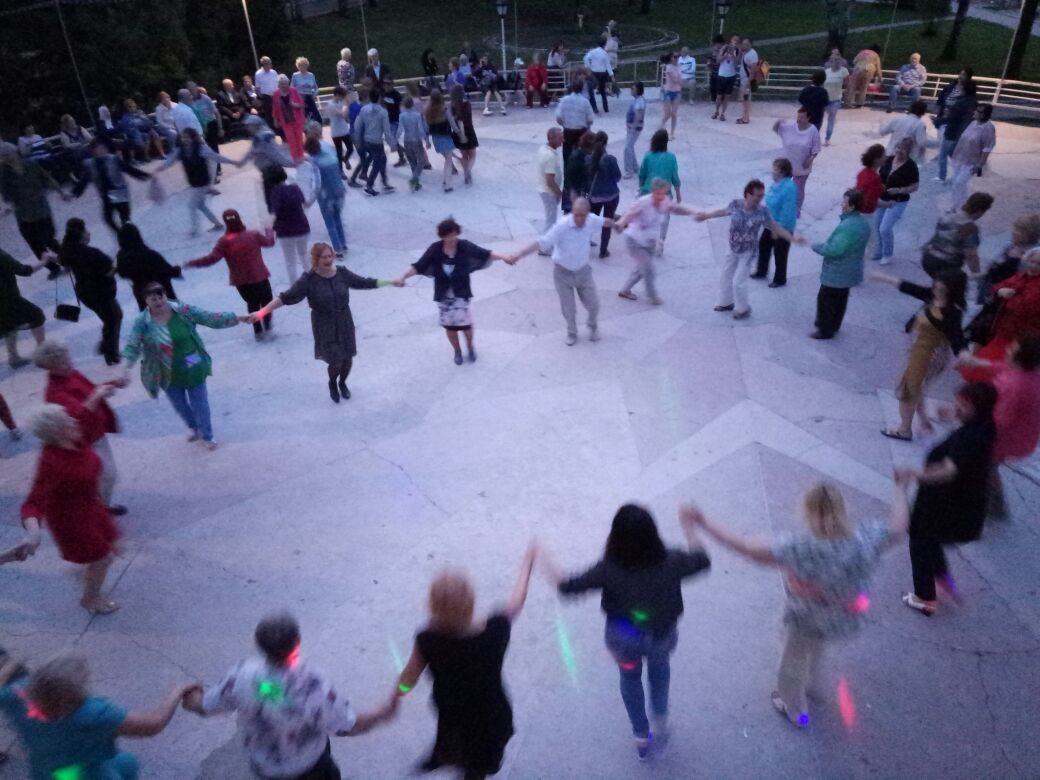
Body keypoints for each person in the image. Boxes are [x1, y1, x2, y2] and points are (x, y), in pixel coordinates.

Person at [687, 480, 908, 727]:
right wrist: (901, 487)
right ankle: (813, 686)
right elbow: (898, 529)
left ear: (808, 513)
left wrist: (703, 522)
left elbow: (747, 548)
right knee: (817, 647)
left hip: (806, 617)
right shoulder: (865, 539)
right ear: (843, 510)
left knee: (793, 658)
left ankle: (795, 708)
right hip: (841, 618)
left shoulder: (802, 548)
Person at [540, 504, 709, 756]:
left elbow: (567, 586)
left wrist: (542, 555)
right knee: (660, 672)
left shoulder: (608, 569)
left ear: (615, 537)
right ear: (653, 534)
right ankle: (661, 721)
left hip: (624, 638)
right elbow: (702, 560)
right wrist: (688, 526)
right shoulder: (672, 560)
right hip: (661, 636)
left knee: (630, 677)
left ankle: (641, 735)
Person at [183, 612, 397, 779]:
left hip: (266, 769)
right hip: (311, 769)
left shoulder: (241, 676)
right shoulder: (313, 685)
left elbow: (203, 705)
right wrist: (381, 715)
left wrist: (187, 693)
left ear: (258, 643)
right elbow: (346, 726)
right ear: (297, 642)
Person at [395, 547, 535, 780]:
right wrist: (527, 564)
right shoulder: (496, 629)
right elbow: (516, 602)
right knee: (480, 759)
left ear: (432, 607)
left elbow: (408, 679)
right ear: (471, 601)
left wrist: (398, 694)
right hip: (492, 713)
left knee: (452, 738)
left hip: (453, 710)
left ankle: (443, 757)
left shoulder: (428, 640)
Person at [0, 652, 200, 778]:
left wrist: (7, 670)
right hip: (90, 773)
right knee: (128, 763)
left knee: (126, 763)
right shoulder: (93, 714)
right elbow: (153, 724)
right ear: (75, 693)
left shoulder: (17, 694)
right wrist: (178, 691)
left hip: (46, 771)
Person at [251, 242, 398, 402]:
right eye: (324, 257)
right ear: (315, 259)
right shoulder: (309, 280)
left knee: (347, 358)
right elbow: (285, 298)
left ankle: (342, 383)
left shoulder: (342, 273)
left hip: (344, 321)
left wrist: (390, 282)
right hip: (324, 324)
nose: (328, 260)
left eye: (330, 256)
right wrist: (261, 312)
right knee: (336, 361)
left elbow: (364, 282)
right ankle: (332, 383)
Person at [900, 382, 996, 615]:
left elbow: (949, 471)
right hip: (955, 500)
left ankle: (925, 598)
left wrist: (913, 474)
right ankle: (944, 581)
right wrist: (953, 413)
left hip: (946, 502)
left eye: (962, 405)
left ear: (974, 407)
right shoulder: (986, 424)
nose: (956, 407)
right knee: (930, 539)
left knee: (920, 541)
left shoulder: (970, 438)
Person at [20, 404, 123, 613]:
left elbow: (85, 412)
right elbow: (33, 502)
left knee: (113, 547)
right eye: (67, 420)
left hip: (92, 506)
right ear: (56, 432)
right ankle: (90, 599)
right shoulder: (52, 463)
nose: (74, 420)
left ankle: (88, 574)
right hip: (72, 520)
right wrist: (33, 532)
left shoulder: (74, 439)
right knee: (103, 558)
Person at [121, 283, 245, 449]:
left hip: (192, 360)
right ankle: (194, 427)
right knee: (180, 405)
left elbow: (209, 317)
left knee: (200, 403)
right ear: (146, 301)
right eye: (153, 299)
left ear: (166, 296)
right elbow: (133, 344)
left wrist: (238, 318)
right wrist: (125, 368)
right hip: (166, 369)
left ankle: (207, 435)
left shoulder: (183, 310)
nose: (158, 302)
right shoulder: (143, 322)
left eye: (161, 297)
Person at [394, 218, 511, 365]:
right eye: (448, 235)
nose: (452, 238)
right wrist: (402, 277)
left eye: (454, 234)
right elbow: (419, 266)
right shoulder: (435, 249)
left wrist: (504, 257)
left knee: (466, 325)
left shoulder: (464, 245)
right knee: (450, 327)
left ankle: (470, 347)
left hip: (462, 293)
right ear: (442, 236)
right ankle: (457, 351)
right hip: (444, 297)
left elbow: (485, 253)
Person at [870, 268, 968, 440]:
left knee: (908, 391)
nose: (937, 288)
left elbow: (957, 337)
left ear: (952, 289)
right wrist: (884, 278)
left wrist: (963, 354)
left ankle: (904, 429)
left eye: (942, 287)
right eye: (937, 284)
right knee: (915, 388)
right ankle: (923, 422)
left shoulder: (951, 312)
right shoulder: (933, 296)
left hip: (928, 356)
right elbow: (908, 287)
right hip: (920, 350)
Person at [35, 340, 126, 514]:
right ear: (51, 367)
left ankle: (100, 507)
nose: (69, 363)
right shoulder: (54, 393)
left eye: (67, 358)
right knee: (107, 474)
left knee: (105, 474)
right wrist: (97, 395)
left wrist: (112, 384)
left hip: (95, 433)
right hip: (84, 439)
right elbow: (78, 415)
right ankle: (99, 510)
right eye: (63, 362)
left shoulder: (71, 374)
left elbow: (91, 390)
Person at [958, 335, 1040, 518]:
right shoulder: (1028, 374)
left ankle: (980, 510)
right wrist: (976, 362)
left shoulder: (1015, 386)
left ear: (1021, 357)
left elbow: (999, 421)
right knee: (988, 468)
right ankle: (995, 508)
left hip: (1006, 439)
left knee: (978, 467)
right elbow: (1002, 367)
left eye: (1012, 348)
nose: (1008, 350)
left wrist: (968, 420)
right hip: (1021, 436)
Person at [511, 197, 612, 344]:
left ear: (588, 213)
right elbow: (541, 242)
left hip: (583, 272)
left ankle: (592, 324)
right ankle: (572, 332)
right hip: (562, 274)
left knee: (594, 304)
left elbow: (605, 221)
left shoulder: (591, 219)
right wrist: (519, 254)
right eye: (576, 215)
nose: (579, 219)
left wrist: (618, 224)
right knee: (568, 308)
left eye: (582, 215)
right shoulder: (562, 226)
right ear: (572, 212)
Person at [697, 179, 801, 319]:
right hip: (732, 248)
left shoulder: (762, 212)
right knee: (726, 275)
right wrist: (706, 216)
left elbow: (775, 227)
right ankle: (726, 302)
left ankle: (743, 308)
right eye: (757, 195)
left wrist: (793, 238)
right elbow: (722, 211)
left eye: (761, 195)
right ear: (747, 194)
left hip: (748, 252)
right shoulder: (736, 204)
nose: (759, 199)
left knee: (738, 282)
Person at [184, 209, 275, 342]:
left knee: (252, 304)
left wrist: (192, 263)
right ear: (239, 219)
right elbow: (270, 242)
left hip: (241, 281)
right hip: (259, 276)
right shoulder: (253, 235)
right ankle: (268, 327)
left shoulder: (224, 242)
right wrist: (269, 229)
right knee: (266, 303)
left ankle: (258, 332)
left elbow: (211, 259)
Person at [615, 178, 695, 305]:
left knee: (641, 268)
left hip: (649, 243)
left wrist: (694, 212)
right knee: (648, 269)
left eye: (663, 193)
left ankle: (625, 290)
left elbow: (676, 209)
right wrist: (621, 223)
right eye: (658, 193)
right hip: (635, 241)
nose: (660, 197)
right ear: (652, 191)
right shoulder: (643, 202)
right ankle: (652, 296)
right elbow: (629, 214)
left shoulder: (665, 201)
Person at [965, 246, 1040, 382]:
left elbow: (1021, 306)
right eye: (1032, 261)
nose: (1034, 266)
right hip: (1004, 331)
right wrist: (1001, 291)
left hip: (1022, 338)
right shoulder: (1021, 276)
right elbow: (997, 287)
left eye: (1038, 264)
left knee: (997, 371)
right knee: (982, 369)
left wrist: (1006, 294)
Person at [59, 218, 123, 365]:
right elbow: (110, 270)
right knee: (114, 318)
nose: (89, 233)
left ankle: (107, 347)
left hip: (85, 293)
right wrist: (119, 265)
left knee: (110, 318)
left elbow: (63, 263)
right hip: (101, 292)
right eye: (86, 230)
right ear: (81, 234)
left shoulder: (67, 250)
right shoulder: (92, 253)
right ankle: (110, 353)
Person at [808, 189, 871, 339]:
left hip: (837, 272)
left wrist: (817, 246)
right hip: (851, 270)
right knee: (841, 299)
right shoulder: (863, 223)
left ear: (852, 206)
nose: (841, 204)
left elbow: (834, 250)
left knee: (825, 300)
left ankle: (825, 329)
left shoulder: (847, 227)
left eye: (844, 202)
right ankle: (835, 325)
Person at [156, 127, 240, 236]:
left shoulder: (201, 148)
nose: (184, 139)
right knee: (200, 205)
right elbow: (171, 160)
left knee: (191, 206)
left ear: (193, 138)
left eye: (187, 137)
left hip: (202, 182)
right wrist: (161, 168)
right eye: (183, 137)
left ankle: (195, 230)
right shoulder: (181, 150)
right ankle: (218, 224)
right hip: (194, 182)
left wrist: (232, 161)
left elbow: (216, 157)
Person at [0, 142, 65, 277]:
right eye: (2, 156)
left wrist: (61, 192)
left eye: (6, 154)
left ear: (14, 152)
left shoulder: (31, 164)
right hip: (23, 214)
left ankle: (68, 260)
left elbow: (47, 178)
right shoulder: (4, 173)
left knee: (49, 240)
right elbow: (5, 195)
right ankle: (53, 268)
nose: (5, 158)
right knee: (35, 244)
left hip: (41, 210)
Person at [71, 140, 152, 234]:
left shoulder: (113, 159)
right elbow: (84, 181)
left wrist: (144, 175)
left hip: (119, 191)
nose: (102, 151)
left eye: (103, 148)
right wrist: (74, 193)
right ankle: (120, 234)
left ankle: (129, 234)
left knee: (125, 218)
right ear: (93, 151)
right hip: (105, 194)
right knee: (108, 219)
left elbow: (129, 169)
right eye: (99, 149)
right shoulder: (90, 164)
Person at [920, 191, 994, 278]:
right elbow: (971, 255)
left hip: (927, 258)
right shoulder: (969, 227)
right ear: (980, 211)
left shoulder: (948, 215)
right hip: (945, 265)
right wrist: (977, 273)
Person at [751, 158, 798, 288]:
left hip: (782, 227)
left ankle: (780, 279)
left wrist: (779, 229)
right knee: (763, 245)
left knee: (780, 253)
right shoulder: (775, 184)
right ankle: (762, 271)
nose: (772, 171)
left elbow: (788, 211)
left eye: (775, 169)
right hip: (771, 223)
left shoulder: (789, 188)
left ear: (782, 172)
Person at [872, 137, 920, 265]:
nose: (899, 151)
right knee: (876, 226)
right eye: (898, 147)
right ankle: (878, 250)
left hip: (897, 201)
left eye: (903, 149)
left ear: (909, 151)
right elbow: (879, 174)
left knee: (885, 228)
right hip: (882, 198)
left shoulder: (911, 166)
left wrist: (899, 190)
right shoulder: (888, 159)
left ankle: (887, 253)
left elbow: (915, 186)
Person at [975, 213, 1040, 303]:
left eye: (1020, 231)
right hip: (996, 288)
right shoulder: (1010, 246)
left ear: (1031, 235)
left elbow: (1026, 275)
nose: (1014, 232)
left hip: (1012, 293)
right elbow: (997, 262)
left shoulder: (1034, 252)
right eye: (1015, 229)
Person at [115, 223, 181, 310]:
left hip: (143, 295)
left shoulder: (121, 256)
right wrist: (176, 270)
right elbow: (167, 270)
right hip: (163, 293)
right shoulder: (149, 254)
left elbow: (122, 273)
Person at [637, 129, 681, 255]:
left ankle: (648, 241)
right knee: (664, 220)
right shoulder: (671, 157)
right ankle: (661, 241)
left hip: (648, 191)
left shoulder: (648, 156)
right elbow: (675, 177)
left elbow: (642, 174)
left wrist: (640, 189)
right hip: (665, 194)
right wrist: (678, 194)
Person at [0, 248, 46, 369]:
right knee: (37, 316)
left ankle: (13, 357)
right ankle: (43, 353)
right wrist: (44, 261)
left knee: (8, 326)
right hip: (8, 299)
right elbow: (23, 270)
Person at [304, 136, 350, 254]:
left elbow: (317, 183)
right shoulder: (331, 156)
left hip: (325, 196)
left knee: (330, 223)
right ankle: (344, 244)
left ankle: (338, 249)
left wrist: (310, 200)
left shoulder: (314, 162)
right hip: (339, 192)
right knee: (338, 218)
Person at [773, 107, 821, 217]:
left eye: (802, 117)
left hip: (802, 166)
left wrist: (810, 159)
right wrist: (778, 122)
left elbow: (816, 149)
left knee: (798, 189)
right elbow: (777, 130)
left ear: (808, 118)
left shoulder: (813, 131)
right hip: (787, 165)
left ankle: (797, 208)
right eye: (798, 116)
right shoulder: (790, 127)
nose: (799, 119)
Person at [241, 115, 294, 211]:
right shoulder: (258, 136)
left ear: (255, 125)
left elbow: (276, 154)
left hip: (273, 172)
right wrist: (241, 161)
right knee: (276, 200)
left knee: (277, 201)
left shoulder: (264, 137)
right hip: (268, 173)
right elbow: (252, 151)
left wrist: (291, 163)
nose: (247, 127)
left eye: (248, 125)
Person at [950, 104, 996, 212]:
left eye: (978, 111)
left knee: (959, 182)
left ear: (984, 115)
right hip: (960, 157)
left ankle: (962, 207)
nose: (975, 112)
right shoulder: (972, 123)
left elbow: (987, 148)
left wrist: (980, 164)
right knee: (956, 183)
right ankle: (957, 205)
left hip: (972, 161)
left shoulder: (988, 128)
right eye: (976, 110)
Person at [934, 69, 978, 184]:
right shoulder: (971, 101)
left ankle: (942, 176)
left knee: (944, 153)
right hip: (959, 130)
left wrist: (937, 120)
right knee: (952, 152)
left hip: (952, 130)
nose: (960, 89)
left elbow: (952, 117)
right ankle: (960, 171)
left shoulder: (960, 103)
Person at [352, 86, 395, 196]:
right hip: (377, 141)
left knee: (382, 159)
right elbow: (387, 130)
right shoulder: (383, 112)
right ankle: (370, 185)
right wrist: (391, 143)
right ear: (379, 98)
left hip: (366, 140)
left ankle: (384, 181)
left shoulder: (364, 109)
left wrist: (357, 139)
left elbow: (357, 125)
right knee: (377, 163)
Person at [586, 132, 622, 258]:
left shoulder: (588, 159)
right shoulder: (611, 159)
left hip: (594, 197)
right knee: (607, 222)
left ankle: (584, 244)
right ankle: (603, 250)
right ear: (606, 143)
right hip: (611, 196)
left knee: (591, 221)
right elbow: (617, 177)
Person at [425, 89, 462, 193]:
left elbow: (426, 129)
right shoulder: (444, 109)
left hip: (435, 138)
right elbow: (453, 124)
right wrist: (459, 133)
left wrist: (427, 141)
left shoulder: (428, 111)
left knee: (447, 159)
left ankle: (446, 181)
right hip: (446, 137)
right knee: (448, 161)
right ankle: (447, 184)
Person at [534, 127, 565, 236]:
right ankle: (544, 243)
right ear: (552, 138)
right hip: (549, 192)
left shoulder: (543, 149)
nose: (563, 140)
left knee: (551, 218)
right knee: (551, 221)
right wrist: (559, 193)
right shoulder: (550, 156)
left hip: (545, 190)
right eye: (560, 138)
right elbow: (550, 180)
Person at [555, 80, 595, 163]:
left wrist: (563, 124)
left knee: (567, 153)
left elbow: (558, 116)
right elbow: (590, 119)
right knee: (582, 154)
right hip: (581, 131)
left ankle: (567, 169)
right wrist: (587, 126)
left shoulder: (564, 100)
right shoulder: (585, 101)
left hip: (568, 130)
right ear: (582, 89)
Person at [271, 75, 307, 162]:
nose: (284, 86)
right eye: (281, 84)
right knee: (291, 141)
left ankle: (301, 158)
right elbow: (275, 108)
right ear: (278, 85)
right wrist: (275, 120)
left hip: (297, 120)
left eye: (285, 83)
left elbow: (302, 104)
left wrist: (294, 104)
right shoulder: (276, 94)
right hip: (285, 121)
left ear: (288, 84)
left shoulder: (293, 90)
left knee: (299, 140)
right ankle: (295, 160)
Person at [449, 84, 479, 186]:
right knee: (473, 155)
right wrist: (463, 135)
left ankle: (466, 172)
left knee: (464, 155)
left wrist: (460, 134)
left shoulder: (452, 106)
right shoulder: (467, 104)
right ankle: (468, 171)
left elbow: (455, 120)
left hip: (457, 132)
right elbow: (462, 120)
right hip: (468, 131)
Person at [562, 131, 594, 215]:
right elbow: (571, 176)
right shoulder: (577, 158)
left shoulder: (580, 155)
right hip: (574, 192)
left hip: (576, 190)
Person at [822, 49, 849, 145]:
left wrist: (845, 91)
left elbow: (847, 83)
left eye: (838, 60)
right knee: (825, 115)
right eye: (834, 60)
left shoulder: (844, 71)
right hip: (825, 98)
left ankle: (827, 138)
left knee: (831, 118)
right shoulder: (826, 71)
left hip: (836, 99)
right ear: (831, 62)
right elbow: (822, 84)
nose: (837, 62)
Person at [712, 34, 740, 121]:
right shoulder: (724, 48)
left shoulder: (738, 50)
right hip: (722, 75)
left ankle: (723, 114)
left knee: (727, 96)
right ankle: (716, 111)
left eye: (737, 40)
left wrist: (732, 54)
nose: (735, 42)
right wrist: (726, 55)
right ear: (731, 40)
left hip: (731, 76)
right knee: (719, 96)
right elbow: (718, 60)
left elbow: (737, 63)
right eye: (734, 40)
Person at [327, 86, 353, 174]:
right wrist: (347, 105)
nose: (344, 98)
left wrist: (346, 105)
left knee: (350, 149)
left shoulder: (339, 102)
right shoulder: (331, 104)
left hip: (344, 129)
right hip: (336, 132)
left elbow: (346, 115)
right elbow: (343, 114)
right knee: (339, 152)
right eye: (343, 96)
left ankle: (345, 159)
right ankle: (340, 171)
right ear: (338, 95)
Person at [583, 36, 613, 114]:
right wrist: (611, 75)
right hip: (603, 73)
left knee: (591, 90)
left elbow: (585, 58)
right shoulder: (605, 53)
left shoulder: (592, 51)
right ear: (605, 44)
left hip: (594, 72)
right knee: (603, 91)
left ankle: (594, 108)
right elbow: (608, 65)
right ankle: (606, 108)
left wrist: (588, 67)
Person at [855, 143, 886, 216]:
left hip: (857, 209)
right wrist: (888, 204)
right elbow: (871, 202)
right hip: (866, 213)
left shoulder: (862, 172)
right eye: (883, 156)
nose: (885, 158)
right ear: (876, 160)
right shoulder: (875, 178)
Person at [624, 82, 646, 180]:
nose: (631, 90)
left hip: (634, 128)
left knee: (627, 148)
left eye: (633, 89)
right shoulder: (638, 100)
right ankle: (635, 167)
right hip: (633, 128)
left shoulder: (639, 101)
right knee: (630, 147)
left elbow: (639, 115)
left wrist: (633, 126)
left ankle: (629, 171)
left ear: (638, 90)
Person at [848, 44, 881, 108]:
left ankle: (849, 103)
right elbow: (878, 68)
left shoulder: (862, 52)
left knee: (853, 86)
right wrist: (880, 78)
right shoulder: (876, 55)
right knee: (863, 88)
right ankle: (860, 103)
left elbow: (854, 61)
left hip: (857, 69)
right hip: (868, 70)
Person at [290, 57, 322, 124]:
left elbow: (316, 88)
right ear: (297, 66)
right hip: (300, 98)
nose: (302, 67)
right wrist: (295, 99)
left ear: (307, 65)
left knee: (317, 119)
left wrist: (314, 95)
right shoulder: (295, 75)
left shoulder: (311, 75)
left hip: (310, 98)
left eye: (303, 65)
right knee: (304, 119)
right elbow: (291, 88)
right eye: (300, 65)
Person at [737, 37, 760, 124]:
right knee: (744, 99)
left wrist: (749, 82)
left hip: (747, 81)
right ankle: (744, 117)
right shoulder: (745, 52)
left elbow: (753, 70)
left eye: (746, 44)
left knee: (746, 100)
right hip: (744, 80)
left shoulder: (752, 54)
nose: (744, 45)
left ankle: (746, 119)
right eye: (743, 44)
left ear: (751, 44)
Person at [659, 52, 681, 137]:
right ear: (671, 58)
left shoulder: (679, 66)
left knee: (674, 114)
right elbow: (674, 79)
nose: (677, 58)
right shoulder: (668, 67)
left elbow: (679, 78)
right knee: (667, 114)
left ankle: (672, 132)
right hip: (668, 91)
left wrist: (681, 82)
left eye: (678, 56)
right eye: (675, 57)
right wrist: (683, 83)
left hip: (677, 91)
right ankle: (661, 125)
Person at [254, 56, 280, 126]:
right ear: (263, 64)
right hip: (266, 98)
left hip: (276, 96)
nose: (270, 65)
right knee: (269, 116)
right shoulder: (258, 74)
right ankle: (272, 129)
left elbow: (278, 84)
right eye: (268, 63)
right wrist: (262, 98)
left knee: (278, 114)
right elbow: (257, 88)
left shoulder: (274, 72)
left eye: (270, 63)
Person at [707, 34, 725, 106]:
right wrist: (708, 63)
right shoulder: (712, 50)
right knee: (712, 86)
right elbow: (709, 59)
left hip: (722, 72)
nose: (717, 45)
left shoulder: (724, 50)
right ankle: (713, 99)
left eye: (719, 43)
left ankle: (721, 99)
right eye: (716, 43)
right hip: (714, 71)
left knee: (721, 87)